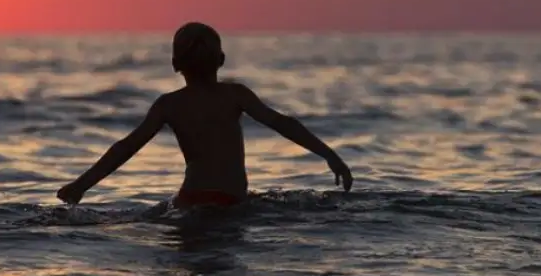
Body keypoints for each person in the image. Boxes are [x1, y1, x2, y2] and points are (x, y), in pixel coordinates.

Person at [56, 22, 353, 209]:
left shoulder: (168, 104)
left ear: (174, 64)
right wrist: (329, 155)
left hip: (188, 200)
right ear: (221, 60)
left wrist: (80, 185)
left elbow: (126, 147)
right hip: (230, 201)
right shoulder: (235, 94)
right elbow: (282, 123)